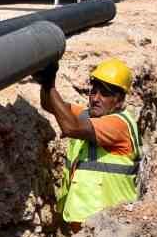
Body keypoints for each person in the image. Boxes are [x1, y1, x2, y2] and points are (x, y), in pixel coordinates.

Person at [36, 57, 142, 226]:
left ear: (120, 99)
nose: (96, 98)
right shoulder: (90, 115)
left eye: (105, 93)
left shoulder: (118, 124)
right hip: (84, 223)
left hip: (109, 227)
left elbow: (70, 128)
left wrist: (50, 86)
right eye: (94, 91)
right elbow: (50, 105)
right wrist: (46, 80)